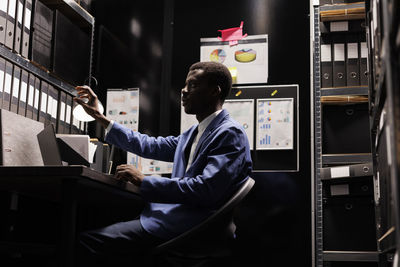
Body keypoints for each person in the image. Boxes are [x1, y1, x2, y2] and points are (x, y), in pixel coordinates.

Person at [75, 61, 252, 266]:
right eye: (185, 85)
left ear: (214, 91)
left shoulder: (229, 133)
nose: (184, 91)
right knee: (101, 221)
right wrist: (100, 117)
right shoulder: (196, 133)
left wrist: (144, 180)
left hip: (194, 226)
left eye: (193, 86)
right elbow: (150, 146)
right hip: (180, 218)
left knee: (88, 240)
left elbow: (205, 189)